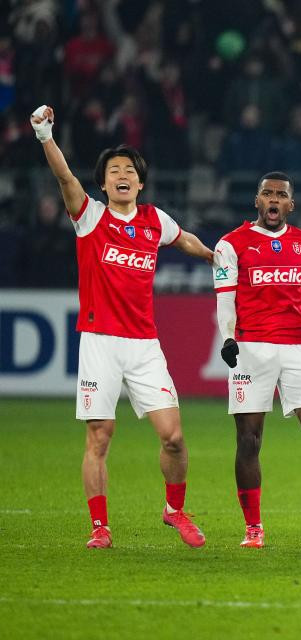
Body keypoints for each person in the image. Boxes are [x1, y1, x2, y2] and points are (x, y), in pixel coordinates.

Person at [30, 105, 213, 549]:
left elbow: (182, 237)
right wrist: (45, 135)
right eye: (114, 170)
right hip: (99, 343)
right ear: (105, 182)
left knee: (173, 437)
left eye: (129, 169)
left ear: (140, 181)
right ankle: (100, 528)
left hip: (145, 345)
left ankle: (175, 511)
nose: (122, 174)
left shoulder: (154, 220)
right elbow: (64, 180)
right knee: (100, 435)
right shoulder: (90, 216)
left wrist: (213, 256)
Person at [212, 171, 301, 549]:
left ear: (291, 204)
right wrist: (229, 338)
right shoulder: (231, 244)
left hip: (300, 347)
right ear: (257, 201)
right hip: (252, 348)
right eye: (267, 194)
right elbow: (225, 300)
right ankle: (253, 528)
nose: (273, 200)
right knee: (249, 440)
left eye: (280, 195)